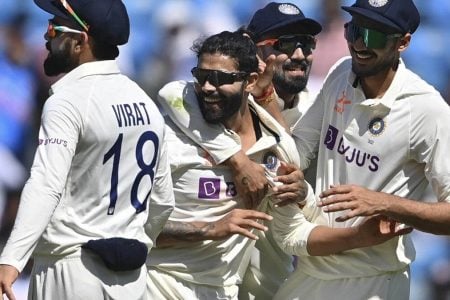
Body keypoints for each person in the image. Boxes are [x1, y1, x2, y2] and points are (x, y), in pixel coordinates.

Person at [272, 0, 450, 299]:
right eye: (354, 29)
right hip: (310, 267)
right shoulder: (342, 72)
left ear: (403, 42)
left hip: (373, 282)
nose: (358, 43)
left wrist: (384, 203)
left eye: (375, 35)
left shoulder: (428, 109)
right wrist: (289, 173)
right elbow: (300, 148)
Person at [0, 1, 174, 299]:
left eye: (54, 29)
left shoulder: (67, 101)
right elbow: (163, 200)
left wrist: (11, 259)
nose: (46, 37)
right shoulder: (146, 104)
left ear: (81, 41)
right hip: (132, 277)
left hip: (70, 269)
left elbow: (45, 185)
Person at [156, 3, 323, 299]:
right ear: (250, 48)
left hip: (265, 283)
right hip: (193, 280)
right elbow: (173, 93)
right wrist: (237, 159)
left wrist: (303, 194)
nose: (298, 54)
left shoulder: (316, 112)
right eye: (283, 44)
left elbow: (305, 199)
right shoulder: (206, 105)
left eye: (306, 43)